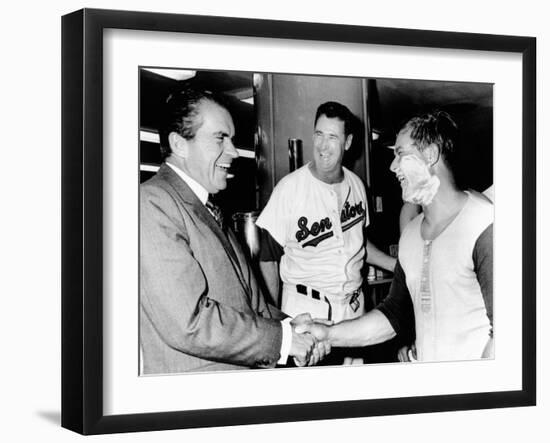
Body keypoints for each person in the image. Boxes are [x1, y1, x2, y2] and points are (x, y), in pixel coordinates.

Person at [140, 86, 329, 374]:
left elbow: (244, 303)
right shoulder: (151, 204)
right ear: (179, 144)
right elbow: (188, 322)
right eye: (220, 139)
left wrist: (290, 327)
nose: (233, 151)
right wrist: (284, 340)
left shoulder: (209, 208)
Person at [298, 110, 494, 362]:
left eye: (400, 154)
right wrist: (327, 333)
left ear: (431, 154)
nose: (392, 167)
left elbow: (511, 333)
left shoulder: (484, 224)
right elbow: (393, 316)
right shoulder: (411, 236)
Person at [256, 101, 396, 364]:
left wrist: (397, 265)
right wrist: (276, 321)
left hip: (354, 310)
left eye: (332, 137)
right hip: (308, 313)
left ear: (348, 142)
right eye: (319, 134)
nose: (322, 145)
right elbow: (267, 257)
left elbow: (358, 243)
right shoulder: (290, 189)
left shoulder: (357, 185)